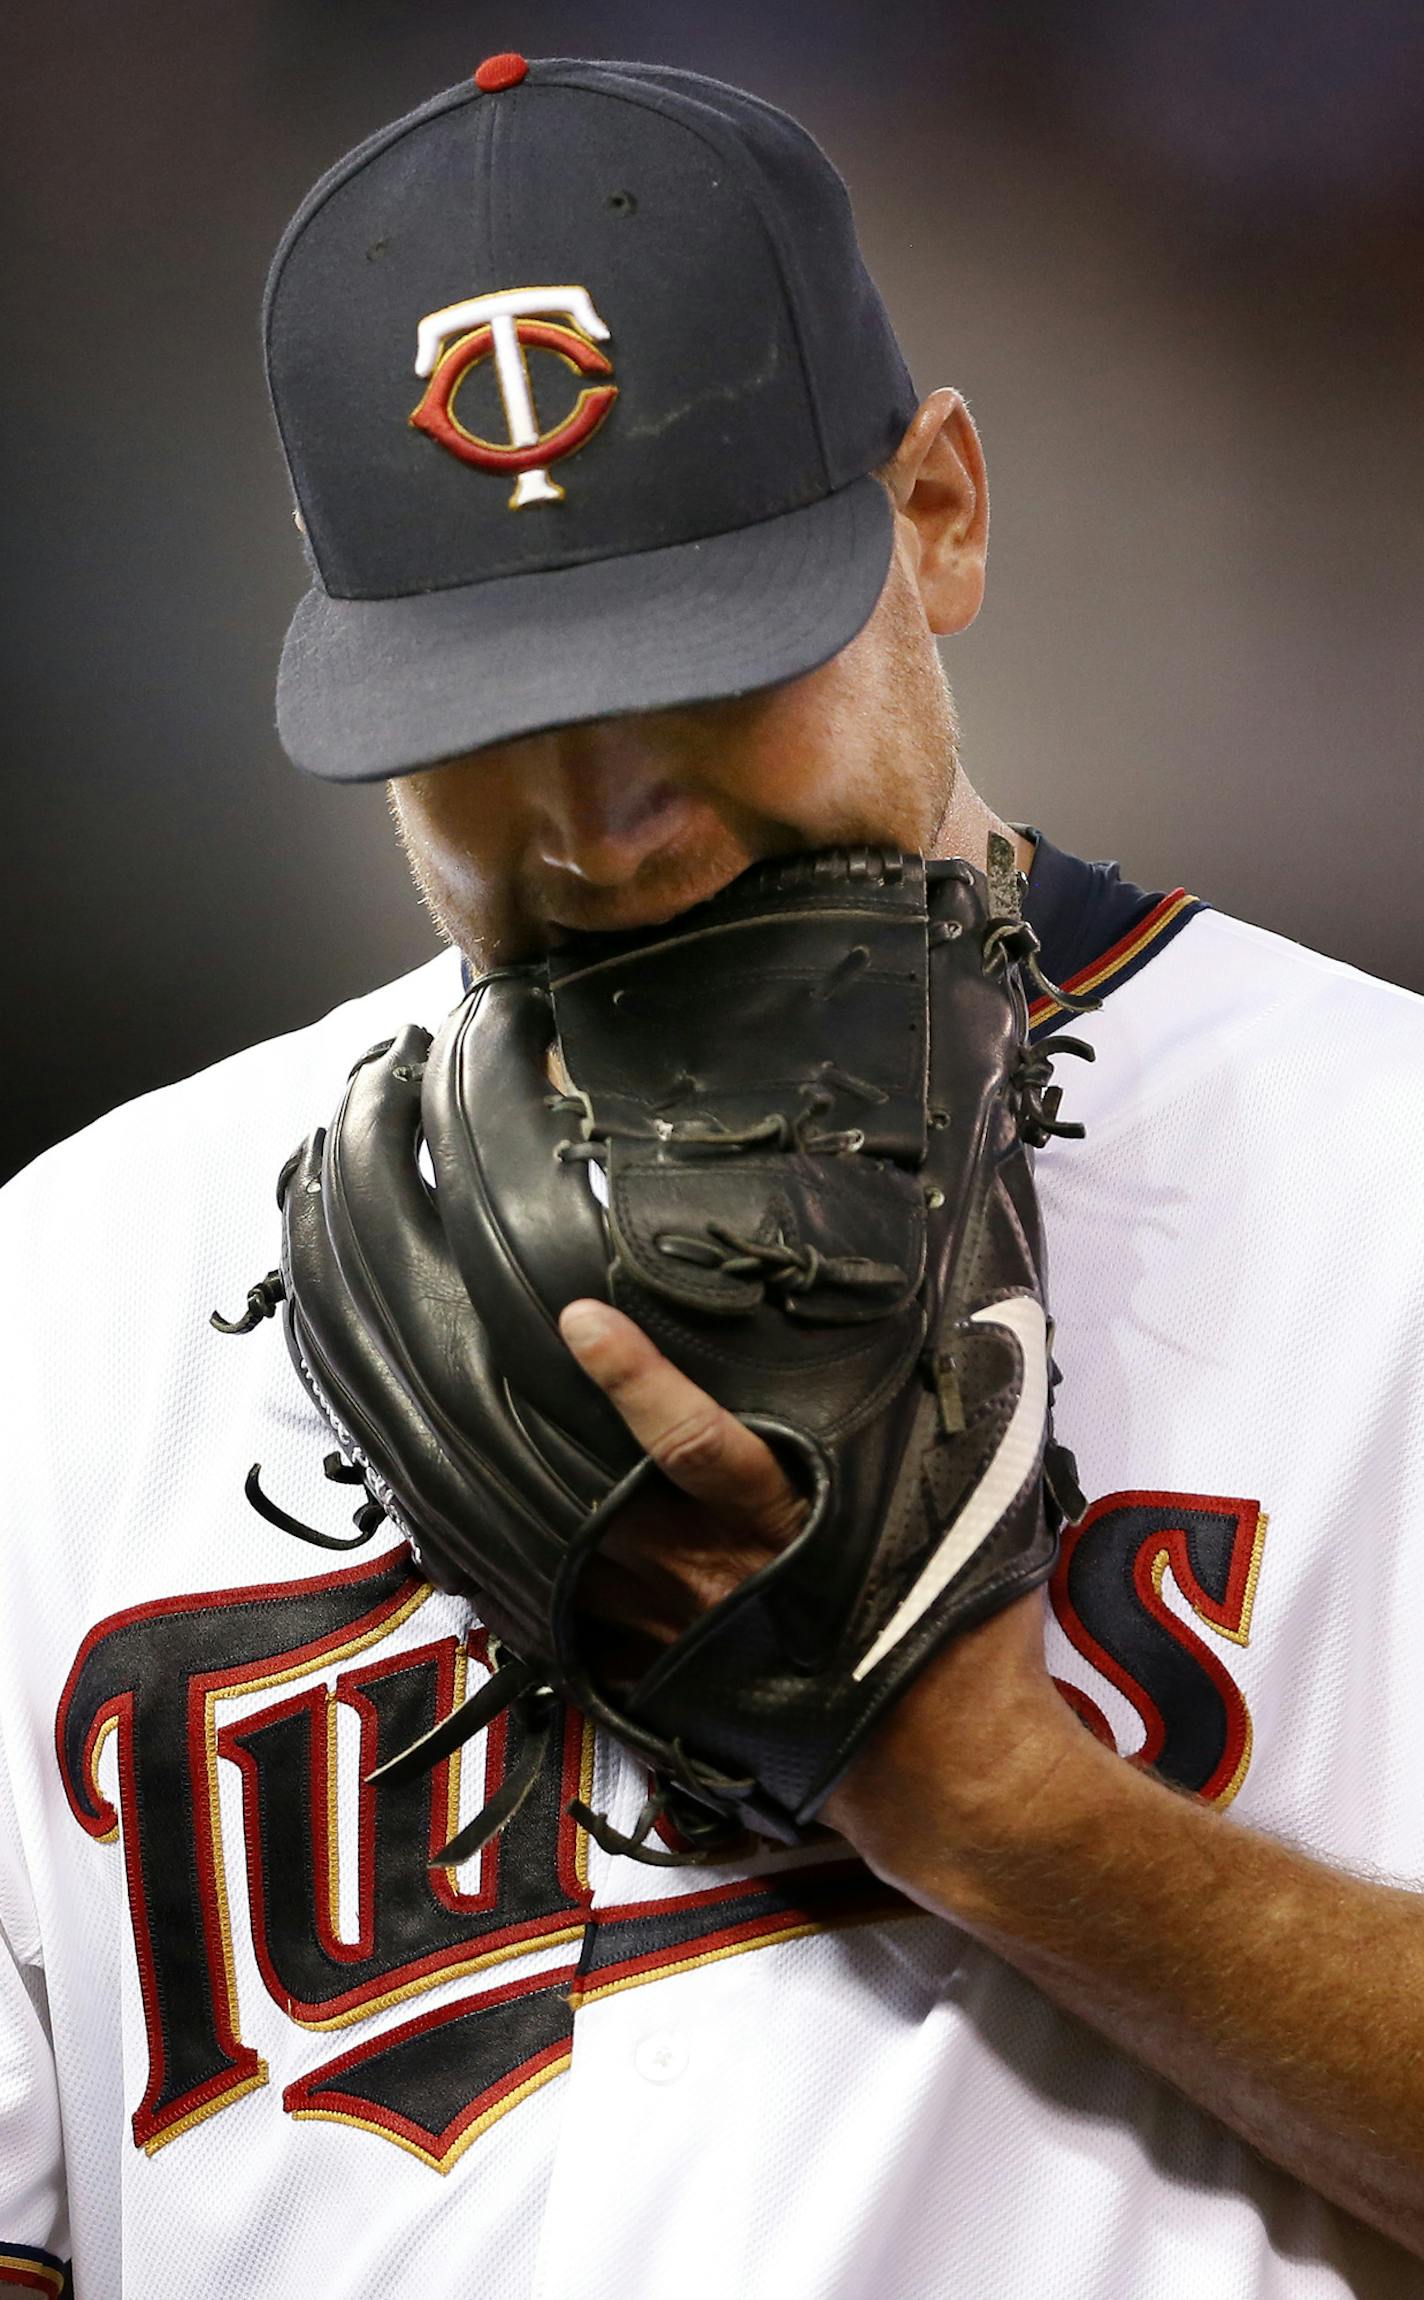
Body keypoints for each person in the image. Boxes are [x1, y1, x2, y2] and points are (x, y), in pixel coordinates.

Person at [2, 53, 1422, 2300]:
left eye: (703, 669)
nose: (603, 823)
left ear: (937, 513)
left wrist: (995, 1812)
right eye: (482, 718)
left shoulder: (1391, 1178)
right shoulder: (70, 1294)